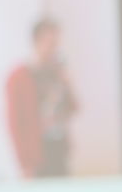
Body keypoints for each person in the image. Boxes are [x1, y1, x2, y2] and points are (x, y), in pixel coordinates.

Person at [4, 17, 79, 178]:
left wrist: (67, 82)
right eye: (50, 43)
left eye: (56, 43)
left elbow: (73, 108)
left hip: (59, 146)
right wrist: (24, 163)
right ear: (37, 41)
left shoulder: (57, 73)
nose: (54, 48)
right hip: (36, 151)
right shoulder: (19, 77)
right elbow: (14, 123)